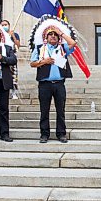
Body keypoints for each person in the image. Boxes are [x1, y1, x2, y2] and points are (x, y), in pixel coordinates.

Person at [29, 15, 77, 144]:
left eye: (55, 34)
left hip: (59, 84)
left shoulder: (62, 48)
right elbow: (32, 63)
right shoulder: (39, 48)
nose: (53, 36)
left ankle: (61, 134)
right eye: (51, 34)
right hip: (44, 84)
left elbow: (73, 43)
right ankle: (44, 134)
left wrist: (61, 32)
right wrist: (43, 61)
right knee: (44, 110)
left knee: (60, 110)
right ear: (46, 36)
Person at [1, 19, 20, 99]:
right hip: (3, 57)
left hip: (12, 57)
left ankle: (14, 92)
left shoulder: (14, 34)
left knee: (14, 75)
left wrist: (13, 36)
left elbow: (18, 45)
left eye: (5, 24)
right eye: (2, 25)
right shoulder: (0, 35)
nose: (4, 26)